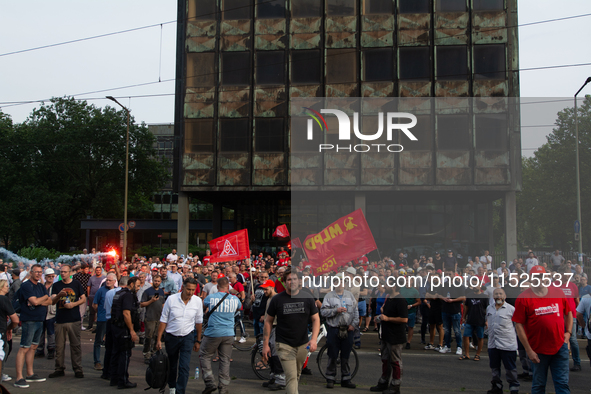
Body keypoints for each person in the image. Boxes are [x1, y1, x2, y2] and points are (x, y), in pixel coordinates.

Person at [513, 266, 571, 394]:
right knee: (538, 385)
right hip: (538, 350)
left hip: (559, 346)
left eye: (541, 276)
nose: (539, 279)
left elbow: (568, 312)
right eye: (536, 277)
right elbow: (519, 325)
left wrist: (568, 333)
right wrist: (529, 350)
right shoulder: (523, 298)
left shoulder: (558, 293)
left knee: (562, 384)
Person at [263, 269, 320, 394]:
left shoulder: (307, 297)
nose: (292, 282)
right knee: (291, 377)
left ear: (299, 281)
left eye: (294, 279)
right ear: (284, 282)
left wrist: (314, 339)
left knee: (296, 375)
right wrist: (266, 344)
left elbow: (316, 319)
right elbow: (268, 321)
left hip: (302, 344)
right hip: (284, 344)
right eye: (289, 279)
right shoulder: (277, 299)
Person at [155, 277, 202, 394]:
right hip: (171, 336)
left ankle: (180, 391)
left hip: (187, 337)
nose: (190, 293)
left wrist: (198, 340)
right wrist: (158, 339)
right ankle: (172, 387)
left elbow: (199, 322)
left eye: (193, 290)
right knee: (172, 364)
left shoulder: (197, 301)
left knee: (184, 367)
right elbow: (163, 320)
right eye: (188, 290)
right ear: (183, 288)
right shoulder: (171, 299)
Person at [199, 277, 241, 394]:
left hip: (213, 332)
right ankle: (223, 388)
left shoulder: (211, 298)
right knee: (225, 360)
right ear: (228, 287)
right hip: (228, 333)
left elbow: (204, 305)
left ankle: (209, 381)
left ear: (217, 287)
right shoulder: (234, 299)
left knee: (205, 356)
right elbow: (239, 307)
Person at [14, 264, 52, 389]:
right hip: (29, 320)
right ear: (31, 272)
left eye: (40, 272)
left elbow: (48, 302)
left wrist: (40, 300)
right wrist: (44, 298)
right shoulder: (26, 286)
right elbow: (35, 301)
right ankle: (19, 377)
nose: (38, 274)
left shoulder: (41, 286)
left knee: (33, 347)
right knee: (24, 347)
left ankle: (30, 373)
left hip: (40, 319)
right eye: (36, 272)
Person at [320, 273, 358, 389]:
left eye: (342, 281)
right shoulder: (328, 296)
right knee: (332, 354)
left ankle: (346, 378)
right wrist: (336, 310)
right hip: (333, 329)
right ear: (334, 283)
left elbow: (356, 312)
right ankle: (330, 378)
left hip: (348, 329)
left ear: (345, 283)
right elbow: (323, 312)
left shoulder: (350, 295)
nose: (339, 284)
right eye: (337, 281)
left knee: (346, 355)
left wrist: (353, 324)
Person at [369, 281, 408, 394]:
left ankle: (396, 386)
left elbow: (404, 319)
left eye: (388, 285)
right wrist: (381, 317)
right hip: (386, 335)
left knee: (395, 361)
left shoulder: (400, 300)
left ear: (394, 286)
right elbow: (386, 314)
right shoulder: (389, 298)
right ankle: (383, 382)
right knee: (385, 359)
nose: (385, 286)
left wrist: (388, 319)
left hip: (395, 336)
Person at [48, 264, 86, 379]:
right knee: (59, 346)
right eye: (61, 272)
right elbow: (53, 301)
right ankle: (59, 368)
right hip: (60, 319)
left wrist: (73, 304)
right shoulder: (56, 285)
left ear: (70, 272)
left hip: (74, 319)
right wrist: (60, 295)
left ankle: (78, 369)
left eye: (65, 272)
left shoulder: (76, 284)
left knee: (76, 345)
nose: (63, 274)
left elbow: (83, 298)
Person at [486, 288, 519, 394]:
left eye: (500, 294)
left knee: (510, 369)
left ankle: (514, 388)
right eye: (496, 294)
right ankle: (496, 387)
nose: (498, 296)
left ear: (505, 296)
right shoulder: (489, 308)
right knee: (494, 368)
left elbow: (517, 326)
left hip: (507, 345)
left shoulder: (511, 309)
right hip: (493, 344)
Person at [110, 276, 140, 389]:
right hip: (123, 329)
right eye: (137, 286)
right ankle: (123, 380)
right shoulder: (128, 295)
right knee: (125, 354)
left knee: (116, 353)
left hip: (115, 327)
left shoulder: (119, 293)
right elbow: (126, 313)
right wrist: (132, 331)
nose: (138, 288)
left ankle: (114, 378)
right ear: (131, 284)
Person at [92, 273, 116, 371]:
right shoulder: (101, 291)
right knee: (99, 340)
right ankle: (97, 361)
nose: (108, 282)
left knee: (111, 341)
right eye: (107, 280)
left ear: (114, 281)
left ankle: (110, 362)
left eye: (110, 280)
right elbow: (94, 304)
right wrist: (99, 313)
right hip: (102, 319)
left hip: (113, 319)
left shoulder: (116, 291)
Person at [439, 269, 465, 355]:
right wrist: (443, 298)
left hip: (455, 310)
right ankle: (447, 346)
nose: (448, 275)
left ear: (454, 275)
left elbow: (463, 297)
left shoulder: (459, 285)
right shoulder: (443, 285)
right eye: (447, 274)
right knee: (447, 330)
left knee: (457, 330)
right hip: (445, 310)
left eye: (450, 274)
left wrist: (453, 300)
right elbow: (438, 294)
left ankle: (459, 347)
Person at [141, 275, 165, 364]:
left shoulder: (161, 292)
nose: (157, 282)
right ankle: (146, 353)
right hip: (150, 317)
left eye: (158, 281)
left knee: (156, 336)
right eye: (155, 281)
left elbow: (163, 303)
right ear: (153, 281)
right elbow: (142, 304)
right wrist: (151, 301)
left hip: (159, 317)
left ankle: (154, 353)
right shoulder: (147, 291)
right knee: (148, 336)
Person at [460, 285, 487, 361]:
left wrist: (487, 320)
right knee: (466, 336)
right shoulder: (469, 295)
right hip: (470, 319)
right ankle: (466, 354)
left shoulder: (484, 296)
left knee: (480, 337)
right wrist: (464, 317)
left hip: (480, 320)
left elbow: (487, 309)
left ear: (480, 286)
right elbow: (467, 307)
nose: (475, 287)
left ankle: (477, 354)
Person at [0, 280, 19, 385]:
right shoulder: (3, 299)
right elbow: (15, 320)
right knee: (3, 352)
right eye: (6, 286)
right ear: (1, 287)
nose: (8, 288)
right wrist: (9, 328)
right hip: (1, 332)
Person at [35, 269, 56, 360]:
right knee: (41, 332)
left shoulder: (55, 287)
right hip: (41, 312)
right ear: (45, 277)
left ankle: (51, 350)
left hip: (51, 313)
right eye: (49, 276)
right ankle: (40, 350)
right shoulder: (40, 286)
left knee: (51, 332)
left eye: (52, 276)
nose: (51, 278)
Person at [398, 279, 419, 350]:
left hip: (411, 312)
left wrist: (412, 305)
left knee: (410, 327)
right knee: (401, 326)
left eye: (409, 281)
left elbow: (419, 302)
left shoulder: (415, 291)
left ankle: (408, 342)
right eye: (406, 280)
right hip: (402, 312)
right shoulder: (401, 289)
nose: (407, 282)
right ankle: (401, 341)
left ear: (412, 282)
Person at [72, 263, 91, 331]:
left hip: (84, 295)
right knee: (76, 310)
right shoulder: (76, 276)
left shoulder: (89, 276)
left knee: (83, 311)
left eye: (88, 269)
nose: (87, 270)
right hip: (77, 295)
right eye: (86, 269)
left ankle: (81, 324)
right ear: (82, 269)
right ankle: (75, 324)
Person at [87, 266, 105, 331]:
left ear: (101, 271)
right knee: (91, 311)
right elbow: (89, 286)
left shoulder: (104, 278)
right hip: (92, 296)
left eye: (99, 270)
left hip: (101, 297)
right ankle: (90, 325)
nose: (98, 271)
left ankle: (98, 327)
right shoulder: (91, 278)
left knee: (99, 311)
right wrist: (88, 295)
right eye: (97, 270)